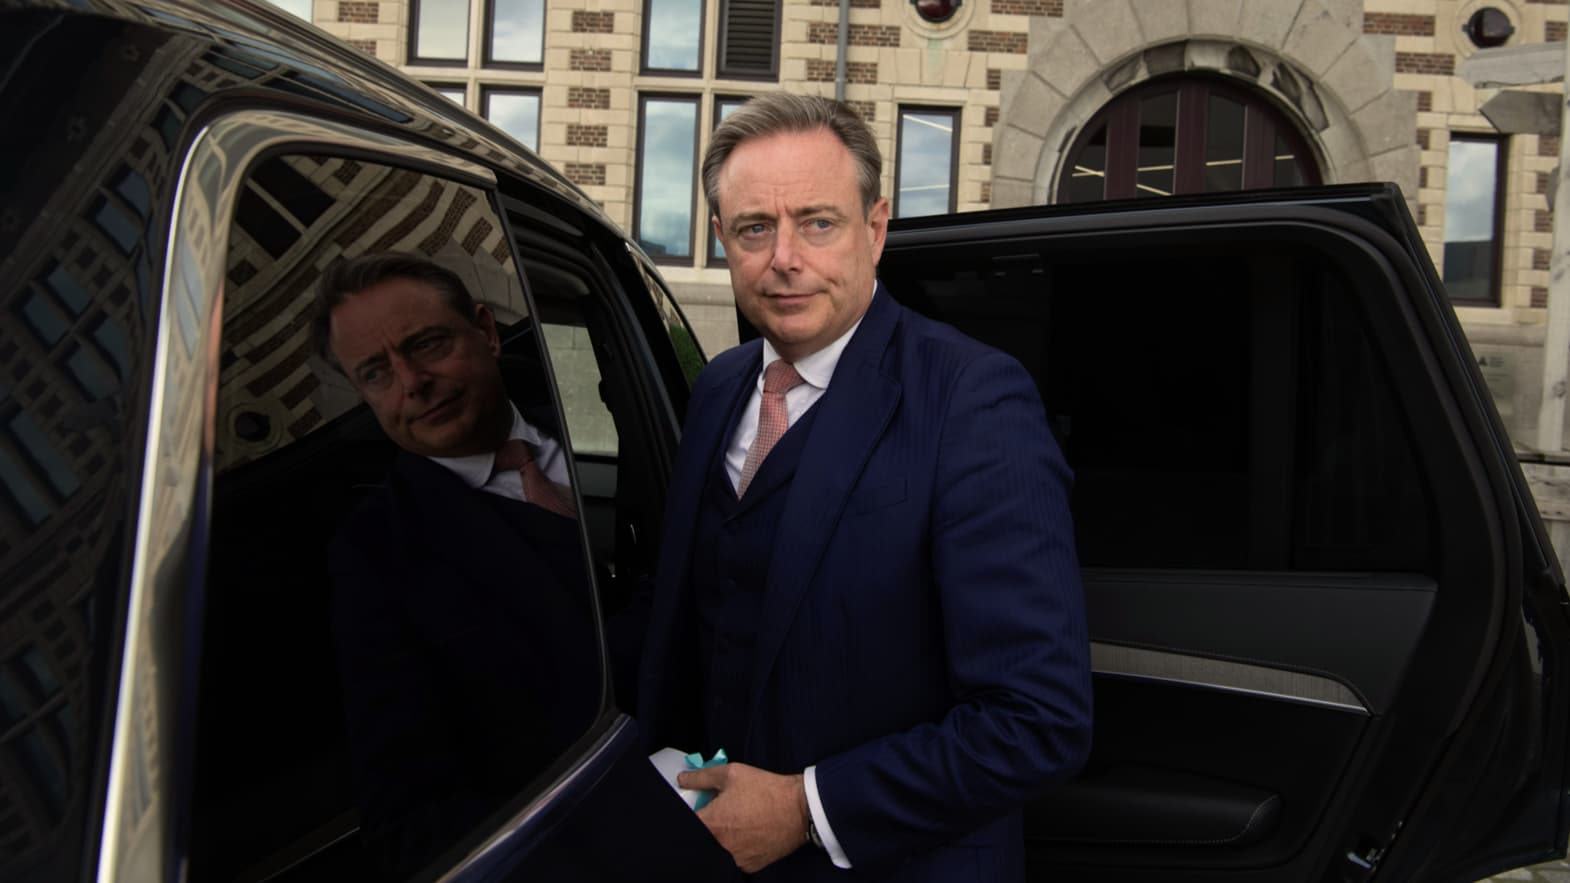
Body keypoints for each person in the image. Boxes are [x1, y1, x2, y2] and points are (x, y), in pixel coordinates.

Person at [635, 94, 1093, 881]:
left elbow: (1037, 719)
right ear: (721, 238)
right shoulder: (718, 388)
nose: (784, 257)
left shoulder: (972, 401)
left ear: (875, 229)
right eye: (754, 228)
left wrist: (803, 808)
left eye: (818, 222)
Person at [313, 253, 599, 876]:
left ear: (487, 332)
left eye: (426, 344)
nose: (411, 382)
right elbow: (413, 818)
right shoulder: (377, 558)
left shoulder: (602, 421)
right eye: (376, 373)